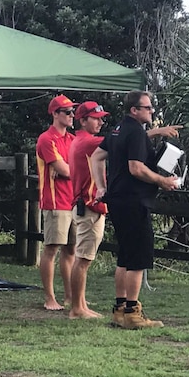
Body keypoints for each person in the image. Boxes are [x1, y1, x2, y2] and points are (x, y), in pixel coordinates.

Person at [89, 91, 180, 329]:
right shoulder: (135, 132)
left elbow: (97, 156)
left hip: (118, 200)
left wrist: (101, 186)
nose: (151, 111)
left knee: (125, 256)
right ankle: (132, 312)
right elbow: (136, 168)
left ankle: (119, 309)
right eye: (148, 108)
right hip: (134, 200)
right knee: (138, 257)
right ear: (134, 110)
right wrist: (163, 181)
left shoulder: (120, 129)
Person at [67, 101, 109, 319]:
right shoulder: (87, 142)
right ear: (82, 120)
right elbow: (120, 142)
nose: (101, 122)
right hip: (89, 206)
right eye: (96, 118)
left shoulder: (79, 141)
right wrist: (156, 131)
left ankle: (80, 304)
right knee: (83, 259)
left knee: (81, 257)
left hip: (84, 205)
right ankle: (77, 309)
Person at [36, 94, 77, 311]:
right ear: (55, 114)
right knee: (51, 249)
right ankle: (50, 297)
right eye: (67, 112)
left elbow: (75, 167)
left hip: (73, 200)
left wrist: (67, 169)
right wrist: (64, 168)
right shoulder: (46, 139)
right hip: (55, 201)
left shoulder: (72, 140)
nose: (72, 116)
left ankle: (71, 297)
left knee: (71, 250)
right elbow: (64, 169)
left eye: (72, 112)